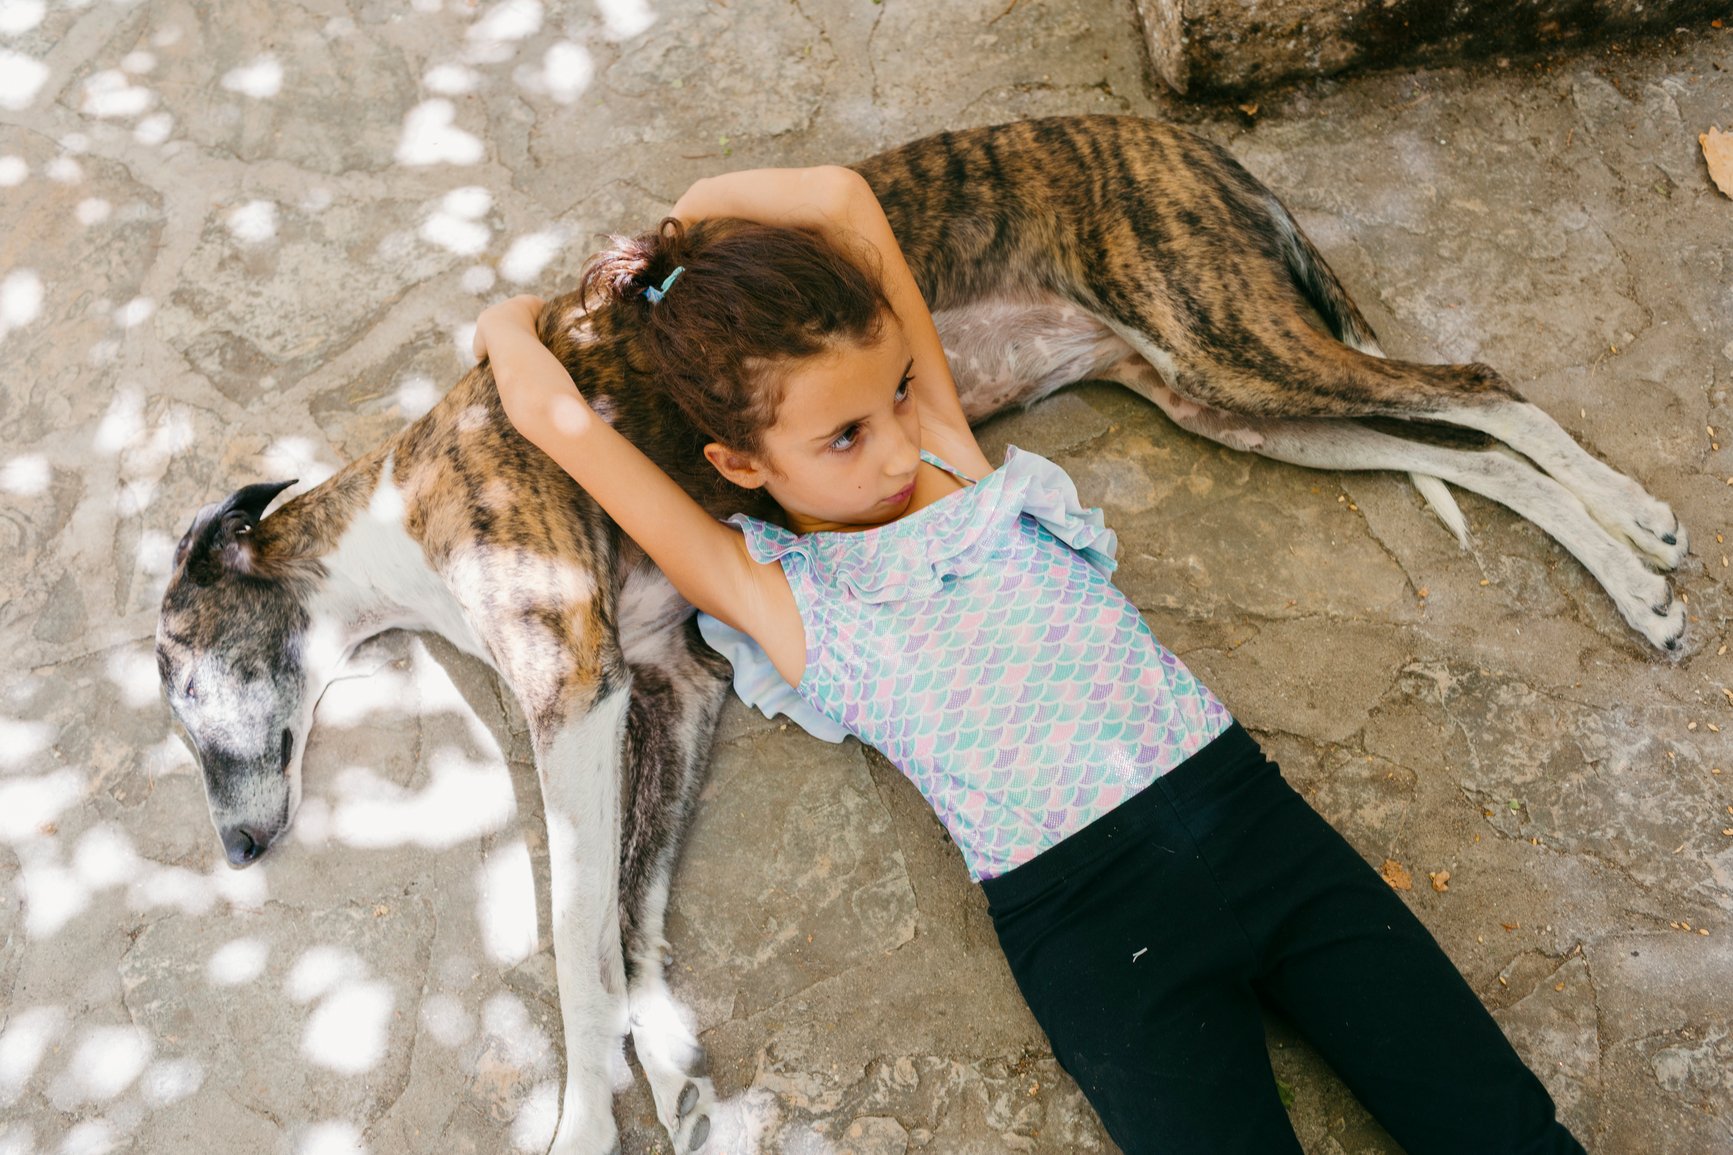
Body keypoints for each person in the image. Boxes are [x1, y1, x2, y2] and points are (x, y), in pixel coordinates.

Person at [473, 165, 1584, 1154]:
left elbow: (845, 204)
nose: (897, 445)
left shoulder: (952, 460)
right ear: (738, 464)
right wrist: (508, 325)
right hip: (1094, 927)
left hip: (1255, 829)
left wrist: (702, 207)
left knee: (1498, 1124)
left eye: (899, 390)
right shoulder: (770, 592)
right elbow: (554, 421)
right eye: (843, 438)